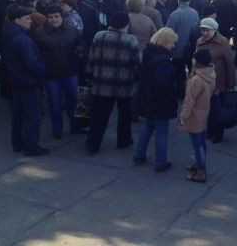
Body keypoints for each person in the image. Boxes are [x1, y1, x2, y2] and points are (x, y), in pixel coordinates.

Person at [85, 12, 140, 154]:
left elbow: (91, 58)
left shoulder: (99, 36)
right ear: (126, 24)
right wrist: (137, 77)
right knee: (124, 114)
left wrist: (89, 75)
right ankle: (124, 140)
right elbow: (137, 63)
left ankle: (93, 144)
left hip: (102, 82)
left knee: (100, 114)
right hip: (124, 83)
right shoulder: (131, 40)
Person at [33, 4, 86, 139]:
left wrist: (78, 52)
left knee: (73, 101)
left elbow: (81, 44)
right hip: (51, 74)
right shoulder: (39, 33)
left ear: (62, 17)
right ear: (46, 18)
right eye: (50, 17)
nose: (54, 20)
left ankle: (76, 126)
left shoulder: (72, 29)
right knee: (54, 102)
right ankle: (57, 129)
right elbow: (35, 53)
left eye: (56, 16)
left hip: (70, 72)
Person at [2, 7, 48, 156]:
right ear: (17, 20)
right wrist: (42, 74)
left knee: (18, 115)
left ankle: (17, 144)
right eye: (27, 19)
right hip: (29, 82)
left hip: (16, 81)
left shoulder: (7, 34)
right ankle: (31, 147)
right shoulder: (23, 39)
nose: (30, 21)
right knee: (32, 117)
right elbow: (32, 64)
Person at [133, 27, 179, 172]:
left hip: (147, 97)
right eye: (171, 42)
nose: (173, 46)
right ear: (164, 42)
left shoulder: (148, 53)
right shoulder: (164, 60)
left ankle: (139, 154)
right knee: (161, 132)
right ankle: (160, 162)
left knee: (147, 127)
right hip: (160, 101)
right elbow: (163, 84)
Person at [196, 17, 236, 143]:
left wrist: (231, 83)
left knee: (217, 109)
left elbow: (230, 64)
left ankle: (218, 133)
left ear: (214, 30)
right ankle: (210, 130)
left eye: (207, 30)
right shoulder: (199, 41)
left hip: (219, 82)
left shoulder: (223, 42)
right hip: (204, 81)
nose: (204, 33)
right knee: (206, 108)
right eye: (202, 30)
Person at [179, 49, 216, 183]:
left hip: (194, 115)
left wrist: (183, 117)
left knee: (197, 144)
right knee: (201, 141)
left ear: (198, 62)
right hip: (204, 111)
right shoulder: (211, 73)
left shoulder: (196, 79)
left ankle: (201, 171)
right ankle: (199, 164)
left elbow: (189, 101)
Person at [166, 0, 199, 99]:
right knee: (192, 71)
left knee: (179, 73)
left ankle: (182, 93)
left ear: (179, 1)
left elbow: (169, 32)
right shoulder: (195, 12)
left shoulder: (175, 14)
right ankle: (193, 92)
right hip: (191, 48)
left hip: (177, 49)